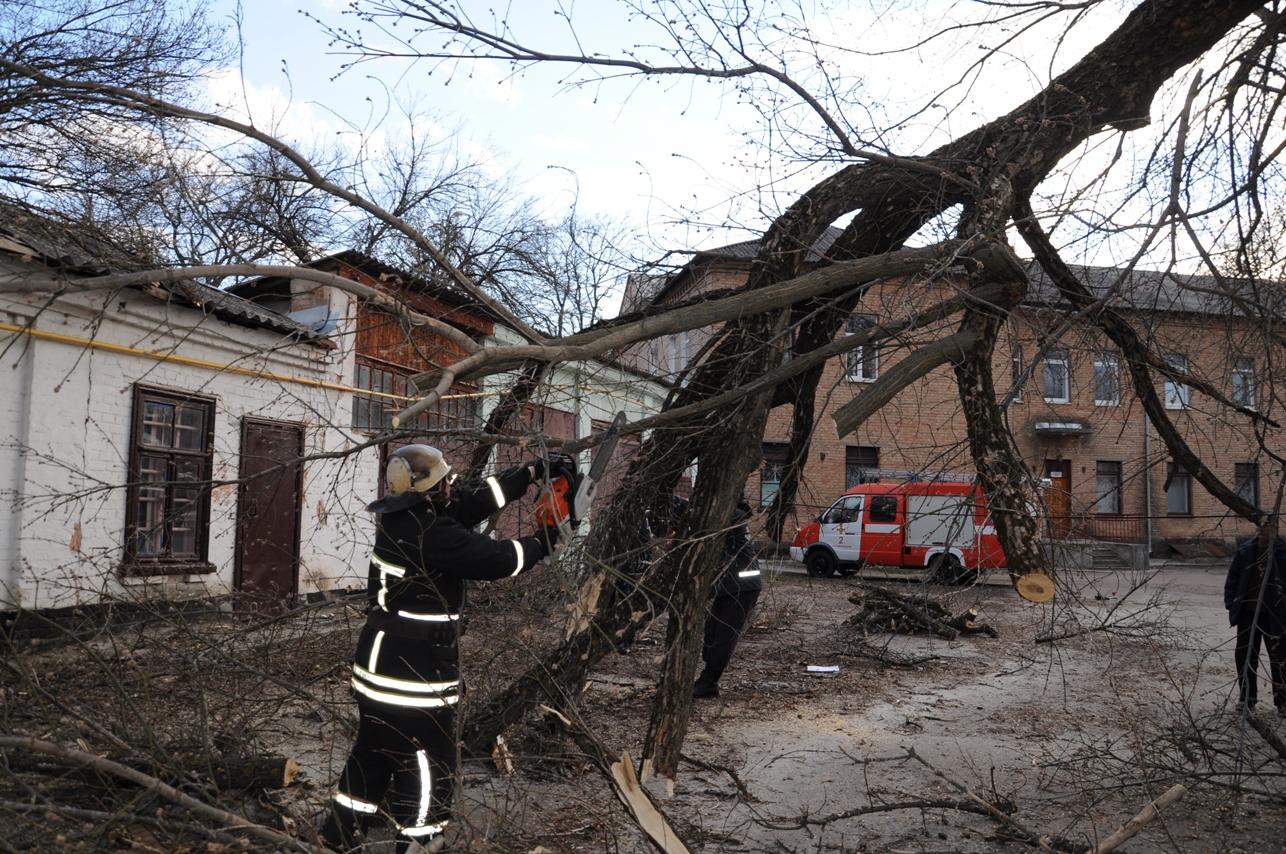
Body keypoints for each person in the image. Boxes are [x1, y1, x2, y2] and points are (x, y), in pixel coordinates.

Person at [321, 445, 573, 852]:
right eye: (444, 482)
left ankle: (336, 836)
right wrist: (548, 540)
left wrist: (528, 474)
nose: (452, 486)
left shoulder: (407, 518)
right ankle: (421, 844)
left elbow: (473, 500)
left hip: (378, 666)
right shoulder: (431, 534)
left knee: (372, 753)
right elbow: (497, 559)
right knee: (426, 765)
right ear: (428, 493)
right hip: (411, 673)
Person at [693, 496, 763, 698]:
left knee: (724, 637)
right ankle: (707, 678)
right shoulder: (734, 515)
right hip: (731, 585)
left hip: (742, 587)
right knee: (712, 632)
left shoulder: (732, 516)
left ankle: (709, 682)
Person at [1223, 523, 1286, 715]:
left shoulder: (1283, 551)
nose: (1267, 530)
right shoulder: (1246, 550)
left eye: (1271, 526)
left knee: (1280, 656)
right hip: (1248, 613)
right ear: (1259, 528)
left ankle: (1282, 701)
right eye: (1263, 526)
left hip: (1275, 614)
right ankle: (1247, 698)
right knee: (1245, 656)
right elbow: (1232, 579)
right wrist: (1232, 603)